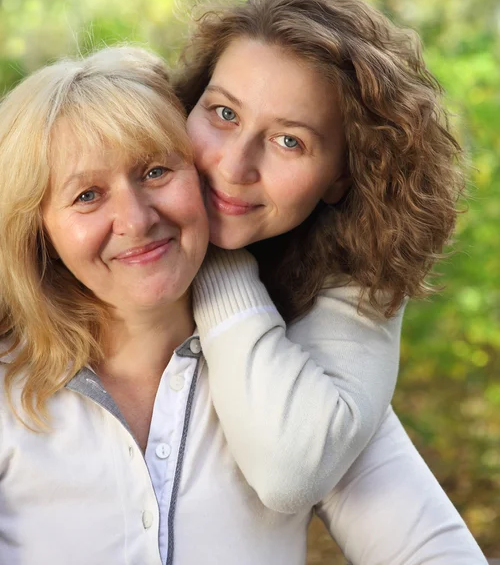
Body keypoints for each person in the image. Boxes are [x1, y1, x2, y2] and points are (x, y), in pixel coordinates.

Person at [0, 47, 486, 564]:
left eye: (156, 172)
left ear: (198, 178)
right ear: (39, 230)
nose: (136, 220)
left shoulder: (296, 385)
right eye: (87, 196)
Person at [172, 0, 465, 512]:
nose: (233, 168)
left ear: (342, 178)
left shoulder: (359, 265)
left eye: (290, 141)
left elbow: (291, 471)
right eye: (224, 113)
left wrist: (216, 259)